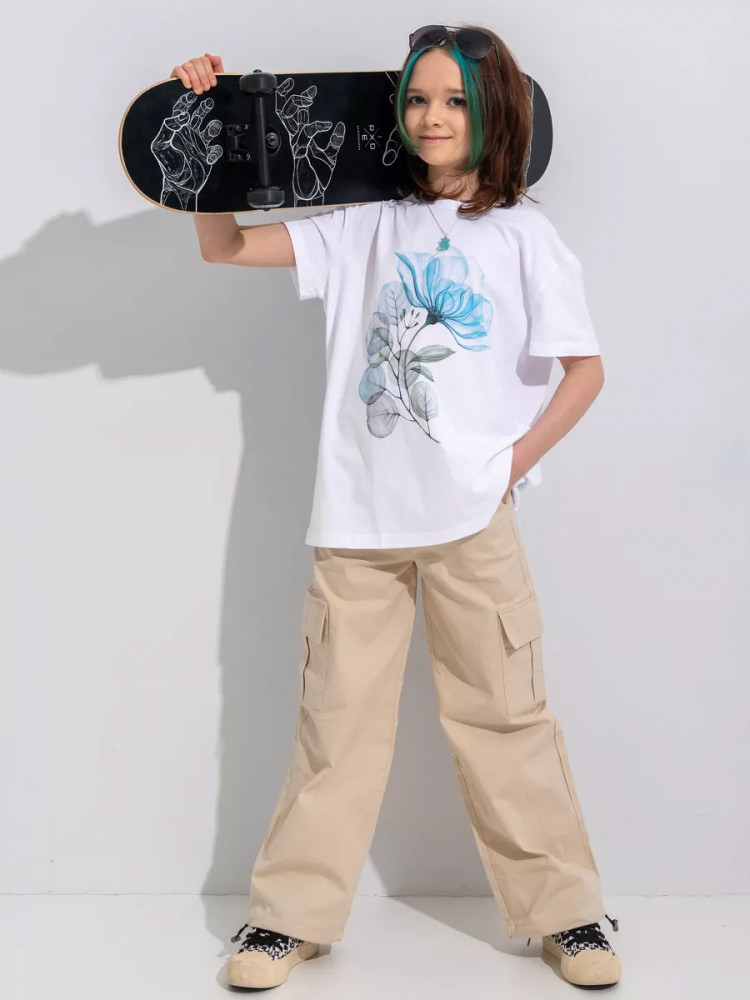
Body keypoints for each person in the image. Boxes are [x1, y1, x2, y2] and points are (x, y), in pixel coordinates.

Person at [171, 23, 622, 991]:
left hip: (473, 523)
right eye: (418, 99)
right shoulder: (365, 224)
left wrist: (508, 465)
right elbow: (225, 246)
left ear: (497, 112)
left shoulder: (526, 235)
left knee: (507, 719)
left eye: (455, 100)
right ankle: (288, 920)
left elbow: (585, 371)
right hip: (358, 527)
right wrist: (208, 128)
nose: (432, 117)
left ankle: (568, 914)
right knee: (334, 726)